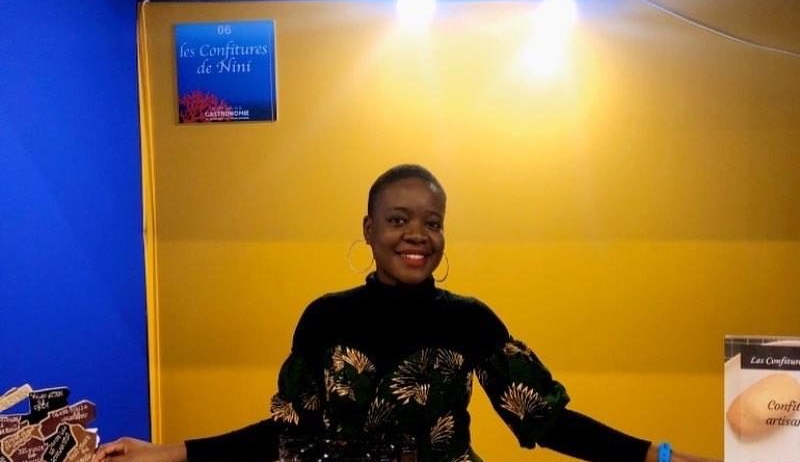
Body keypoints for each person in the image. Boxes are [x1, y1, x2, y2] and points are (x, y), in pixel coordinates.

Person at [94, 164, 718, 462]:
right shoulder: (325, 318)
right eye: (398, 219)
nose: (417, 235)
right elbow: (289, 431)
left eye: (432, 222)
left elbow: (547, 421)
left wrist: (661, 457)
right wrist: (168, 452)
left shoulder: (470, 321)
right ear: (369, 229)